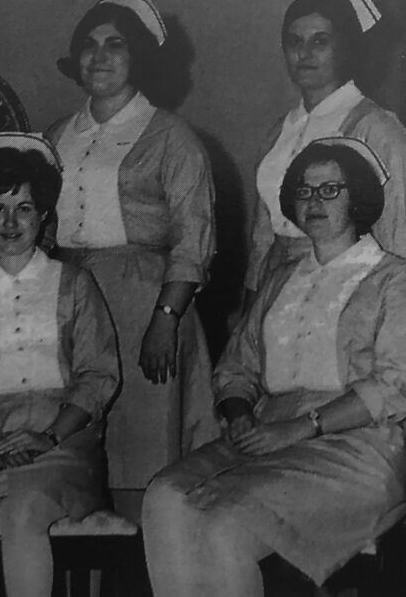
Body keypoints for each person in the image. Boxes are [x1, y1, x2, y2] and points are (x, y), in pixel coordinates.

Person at [142, 137, 406, 596]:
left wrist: (302, 428)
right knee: (163, 497)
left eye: (330, 190)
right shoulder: (281, 278)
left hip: (355, 447)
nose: (313, 202)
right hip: (265, 432)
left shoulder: (393, 278)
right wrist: (240, 414)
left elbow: (393, 385)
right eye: (304, 191)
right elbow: (235, 369)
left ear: (358, 196)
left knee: (225, 526)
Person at [0, 133, 120, 597]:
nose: (11, 222)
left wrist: (48, 435)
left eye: (24, 208)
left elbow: (99, 375)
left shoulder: (74, 284)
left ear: (44, 215)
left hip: (62, 441)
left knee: (23, 511)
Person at [46, 0, 216, 520]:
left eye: (115, 44)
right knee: (72, 451)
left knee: (142, 453)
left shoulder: (172, 137)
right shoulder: (55, 137)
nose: (100, 57)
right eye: (89, 46)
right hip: (71, 304)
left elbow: (194, 240)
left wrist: (166, 318)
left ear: (138, 57)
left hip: (146, 304)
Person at [246, 0, 406, 295]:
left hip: (347, 285)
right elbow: (263, 233)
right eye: (294, 41)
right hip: (277, 282)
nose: (303, 53)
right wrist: (251, 299)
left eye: (320, 41)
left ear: (346, 48)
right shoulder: (281, 130)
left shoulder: (375, 128)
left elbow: (399, 232)